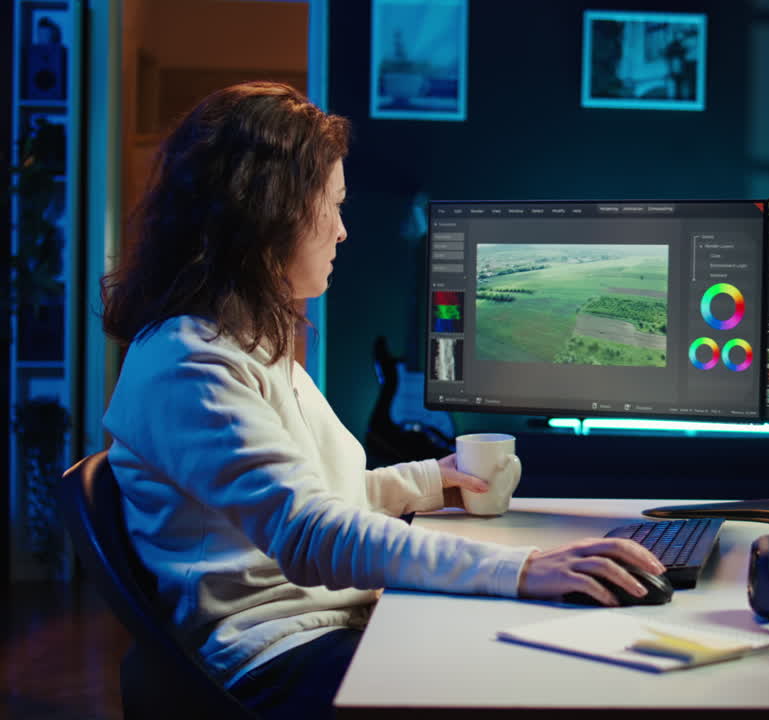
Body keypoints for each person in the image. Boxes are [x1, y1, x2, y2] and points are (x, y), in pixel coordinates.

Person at [99, 82, 664, 719]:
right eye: (333, 206)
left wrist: (436, 480)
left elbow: (320, 497)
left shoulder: (245, 338)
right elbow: (311, 534)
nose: (342, 231)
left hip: (333, 621)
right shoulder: (189, 362)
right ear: (268, 212)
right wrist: (521, 567)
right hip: (275, 659)